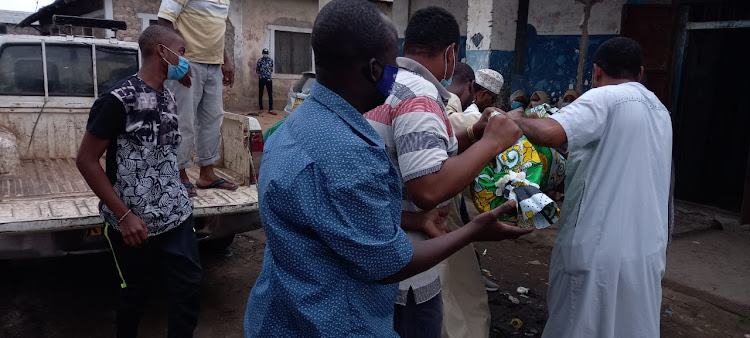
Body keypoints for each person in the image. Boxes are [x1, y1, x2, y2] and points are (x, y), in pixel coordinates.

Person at [243, 1, 532, 337]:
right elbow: (391, 263)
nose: (399, 75)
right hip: (334, 322)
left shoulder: (291, 127)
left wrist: (418, 218)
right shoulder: (348, 152)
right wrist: (474, 230)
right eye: (392, 65)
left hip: (281, 314)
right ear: (373, 70)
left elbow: (336, 215)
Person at [364, 8, 523, 338]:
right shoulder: (420, 96)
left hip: (375, 253)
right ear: (451, 53)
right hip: (407, 271)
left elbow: (416, 153)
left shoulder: (385, 84)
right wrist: (492, 142)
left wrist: (475, 134)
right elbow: (427, 189)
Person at [505, 37, 672, 337]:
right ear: (641, 73)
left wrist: (515, 119)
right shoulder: (660, 111)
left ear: (595, 72)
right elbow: (612, 153)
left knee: (578, 326)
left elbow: (550, 133)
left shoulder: (604, 97)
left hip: (597, 250)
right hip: (645, 253)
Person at [76, 25, 201, 338]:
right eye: (181, 52)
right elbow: (86, 160)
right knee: (134, 298)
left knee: (188, 292)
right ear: (162, 51)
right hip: (134, 226)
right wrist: (123, 215)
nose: (184, 60)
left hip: (176, 216)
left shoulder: (168, 97)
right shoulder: (118, 100)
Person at [158, 0, 237, 197]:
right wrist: (177, 61)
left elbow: (217, 31)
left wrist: (225, 60)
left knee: (213, 119)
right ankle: (179, 174)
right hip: (188, 63)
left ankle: (207, 174)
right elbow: (164, 21)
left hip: (213, 65)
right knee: (183, 121)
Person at [255, 48, 274, 113]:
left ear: (267, 54)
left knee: (270, 94)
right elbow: (257, 70)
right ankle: (261, 108)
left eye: (266, 54)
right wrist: (261, 74)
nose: (265, 55)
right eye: (264, 53)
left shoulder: (271, 60)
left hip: (268, 79)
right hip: (262, 79)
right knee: (261, 93)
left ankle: (270, 109)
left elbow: (271, 69)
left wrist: (267, 74)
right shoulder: (260, 60)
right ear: (262, 53)